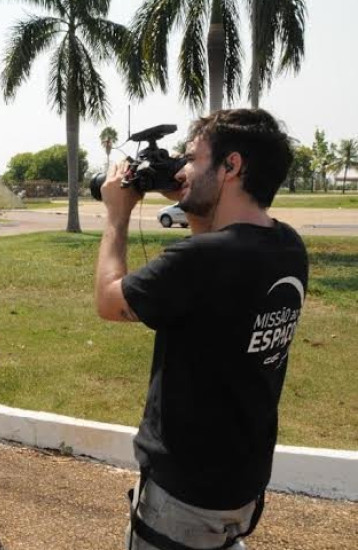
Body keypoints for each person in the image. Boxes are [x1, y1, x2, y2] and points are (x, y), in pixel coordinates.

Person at [94, 109, 308, 550]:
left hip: (185, 491)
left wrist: (116, 216)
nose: (183, 168)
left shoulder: (203, 260)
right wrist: (192, 196)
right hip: (242, 478)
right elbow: (209, 261)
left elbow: (109, 302)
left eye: (192, 158)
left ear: (231, 166)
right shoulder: (288, 247)